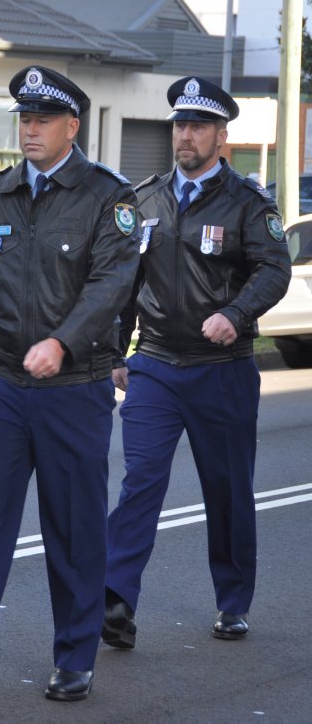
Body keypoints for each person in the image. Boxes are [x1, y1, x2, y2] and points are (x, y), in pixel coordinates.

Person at [0, 66, 140, 705]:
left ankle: (75, 656)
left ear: (72, 126)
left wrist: (63, 342)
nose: (29, 129)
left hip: (74, 384)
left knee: (73, 527)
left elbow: (111, 285)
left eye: (42, 119)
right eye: (24, 118)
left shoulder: (107, 197)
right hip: (1, 381)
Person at [102, 77, 291, 649]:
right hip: (156, 365)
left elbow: (274, 269)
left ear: (220, 135)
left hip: (222, 368)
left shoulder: (247, 202)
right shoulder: (145, 199)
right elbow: (125, 280)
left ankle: (232, 601)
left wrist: (236, 313)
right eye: (181, 125)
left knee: (226, 489)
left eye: (199, 126)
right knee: (140, 483)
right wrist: (117, 349)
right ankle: (115, 600)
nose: (186, 135)